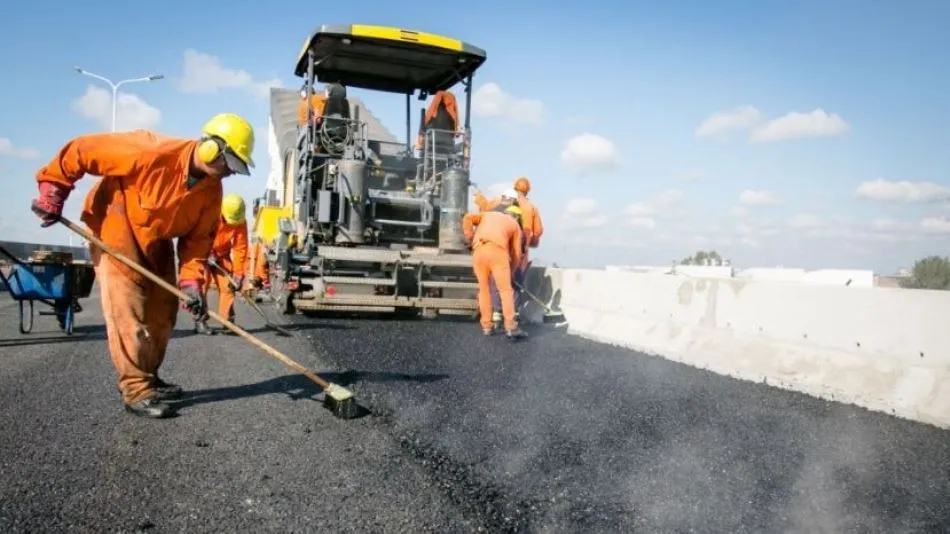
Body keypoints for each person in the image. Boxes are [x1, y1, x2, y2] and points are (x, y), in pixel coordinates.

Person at [31, 113, 256, 419]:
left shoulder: (212, 190)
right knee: (129, 311)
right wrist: (54, 189)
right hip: (116, 226)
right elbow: (83, 150)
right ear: (211, 148)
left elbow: (198, 242)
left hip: (157, 239)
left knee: (163, 313)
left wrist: (192, 284)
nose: (230, 173)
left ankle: (149, 375)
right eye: (230, 164)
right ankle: (135, 388)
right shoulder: (150, 150)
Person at [462, 203, 528, 340]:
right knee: (505, 290)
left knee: (484, 290)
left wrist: (469, 236)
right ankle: (511, 326)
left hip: (479, 250)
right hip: (497, 252)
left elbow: (467, 218)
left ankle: (486, 326)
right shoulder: (514, 226)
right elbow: (516, 254)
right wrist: (511, 271)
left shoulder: (487, 214)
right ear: (516, 217)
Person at [193, 193, 249, 335]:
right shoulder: (210, 213)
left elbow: (240, 247)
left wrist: (238, 273)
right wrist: (208, 252)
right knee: (202, 286)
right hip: (203, 253)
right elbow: (199, 235)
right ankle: (200, 320)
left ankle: (227, 322)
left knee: (228, 287)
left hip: (222, 256)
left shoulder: (240, 221)